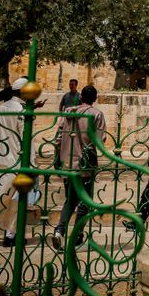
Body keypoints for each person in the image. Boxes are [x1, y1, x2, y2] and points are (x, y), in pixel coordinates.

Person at [0, 77, 37, 247]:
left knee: (9, 197)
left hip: (2, 157)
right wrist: (32, 164)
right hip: (18, 159)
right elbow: (27, 138)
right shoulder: (22, 110)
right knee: (14, 198)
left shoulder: (3, 107)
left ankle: (11, 234)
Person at [51, 85, 106, 251]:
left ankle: (60, 231)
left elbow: (58, 138)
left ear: (81, 97)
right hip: (85, 164)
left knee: (70, 200)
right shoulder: (96, 114)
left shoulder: (68, 112)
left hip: (67, 162)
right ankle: (77, 234)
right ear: (95, 99)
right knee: (84, 202)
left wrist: (57, 158)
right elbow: (99, 140)